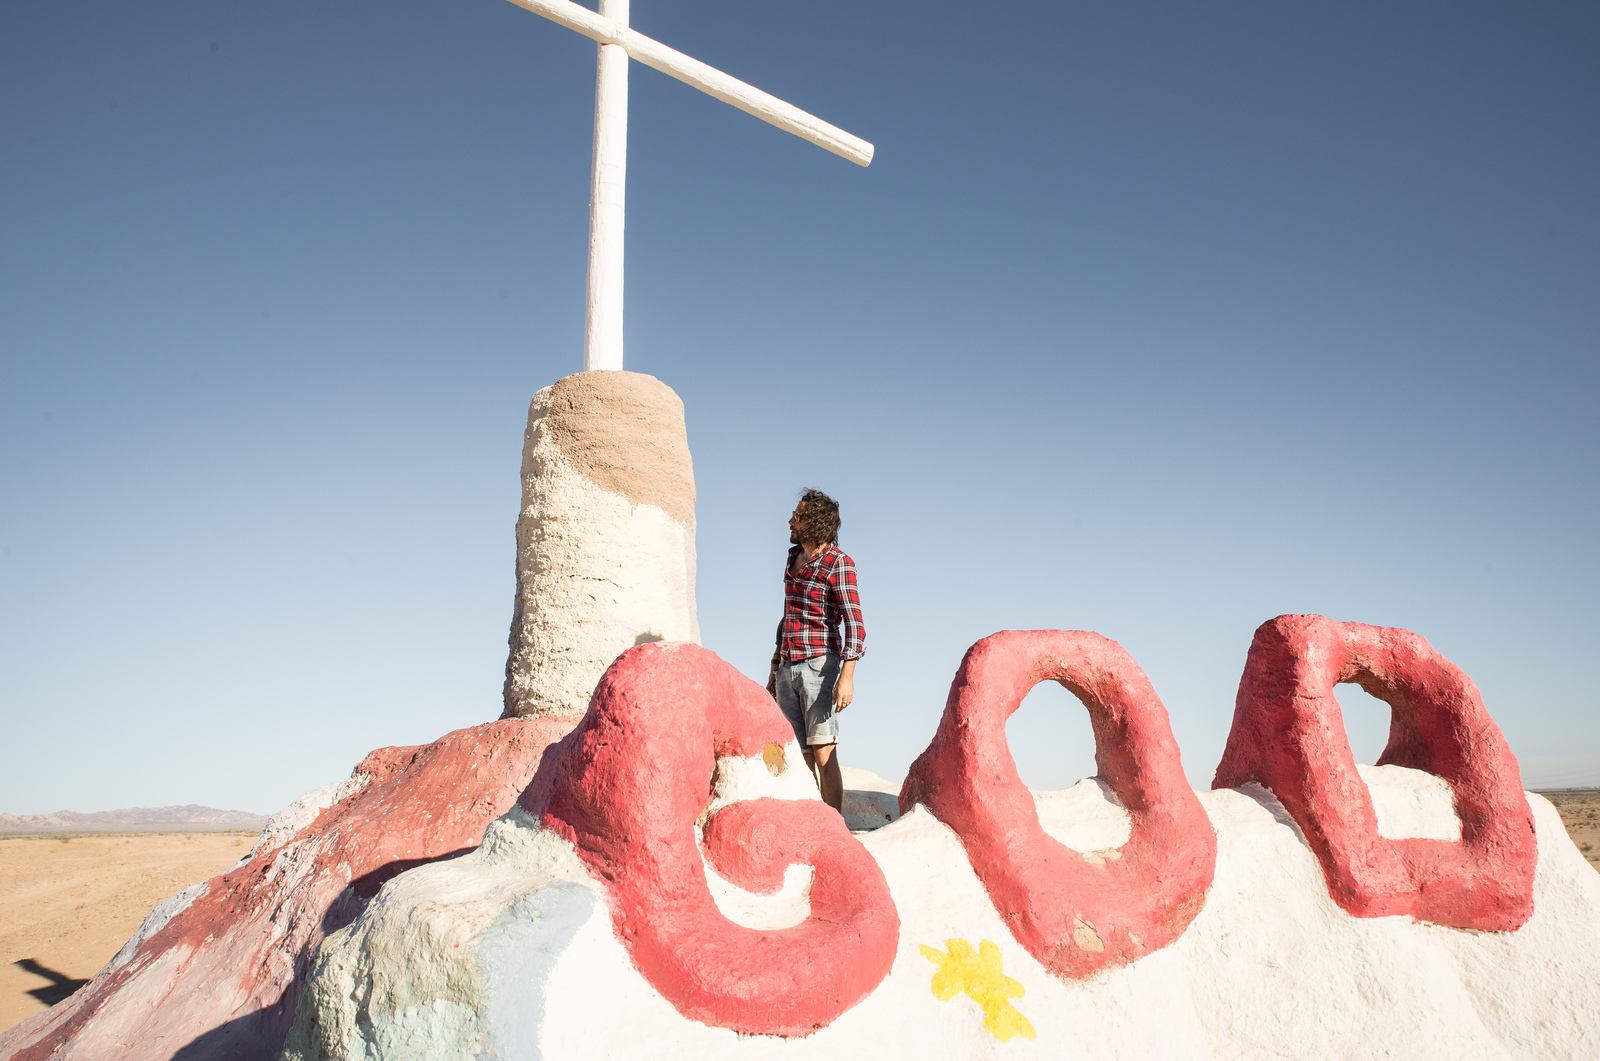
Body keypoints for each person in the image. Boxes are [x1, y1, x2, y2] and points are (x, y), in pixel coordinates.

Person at [766, 489, 864, 813]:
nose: (791, 521)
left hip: (819, 667)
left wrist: (846, 677)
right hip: (787, 667)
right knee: (796, 754)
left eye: (798, 515)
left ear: (816, 522)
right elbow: (787, 616)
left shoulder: (839, 563)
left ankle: (835, 827)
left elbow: (855, 623)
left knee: (823, 749)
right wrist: (774, 668)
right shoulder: (792, 557)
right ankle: (810, 822)